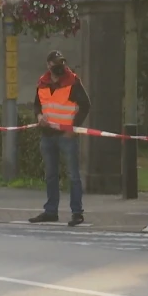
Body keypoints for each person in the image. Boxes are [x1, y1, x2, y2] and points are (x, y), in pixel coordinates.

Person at [30, 50, 91, 227]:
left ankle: (77, 212)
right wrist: (39, 116)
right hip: (48, 135)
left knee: (73, 175)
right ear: (49, 65)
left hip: (66, 136)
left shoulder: (72, 81)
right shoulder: (42, 83)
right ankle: (51, 211)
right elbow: (37, 105)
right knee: (50, 175)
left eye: (62, 63)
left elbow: (86, 105)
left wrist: (74, 126)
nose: (60, 66)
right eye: (56, 63)